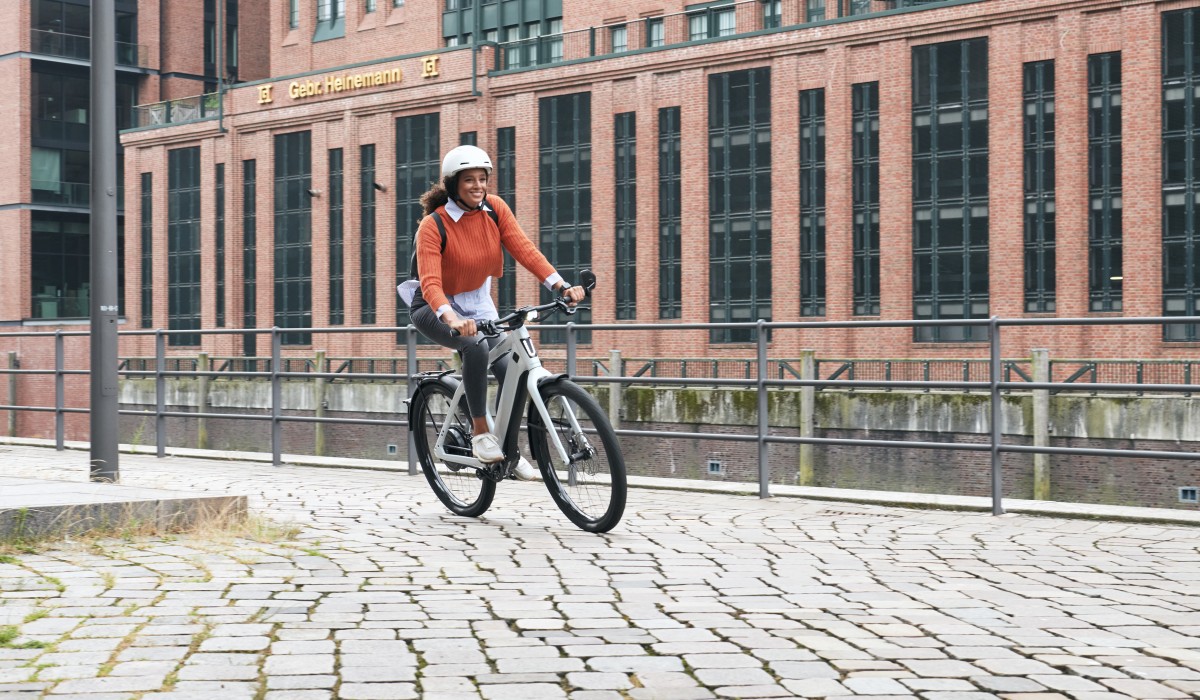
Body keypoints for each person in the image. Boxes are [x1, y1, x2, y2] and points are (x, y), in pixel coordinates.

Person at [398, 145, 584, 480]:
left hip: (479, 300)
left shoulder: (495, 210)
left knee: (511, 366)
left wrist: (560, 286)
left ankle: (508, 452)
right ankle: (481, 432)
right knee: (476, 347)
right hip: (432, 304)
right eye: (469, 179)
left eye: (482, 179)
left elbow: (525, 249)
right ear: (454, 183)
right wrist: (452, 318)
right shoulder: (433, 225)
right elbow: (430, 283)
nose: (477, 185)